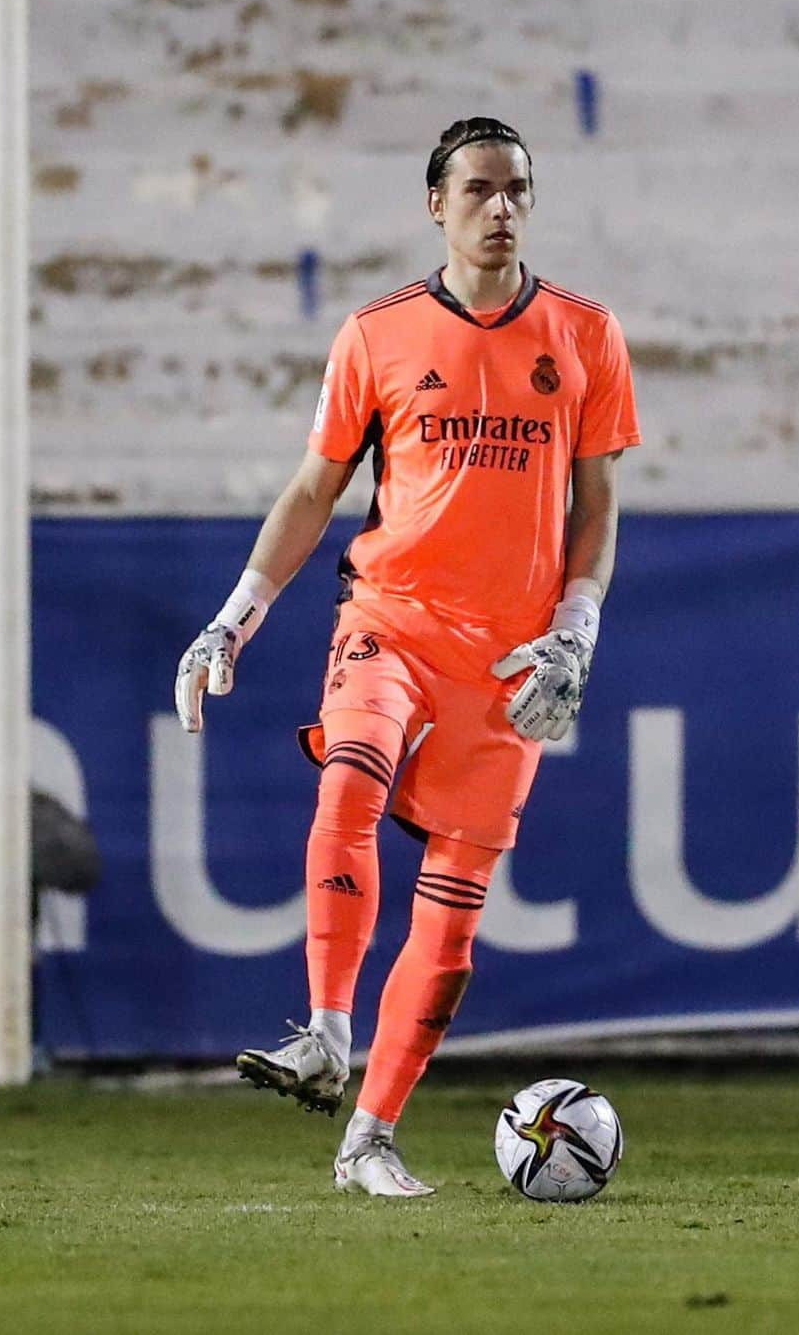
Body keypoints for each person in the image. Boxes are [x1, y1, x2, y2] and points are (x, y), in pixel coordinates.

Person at [174, 117, 641, 1197]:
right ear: (436, 204)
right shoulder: (376, 335)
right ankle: (327, 1032)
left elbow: (600, 503)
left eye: (516, 188)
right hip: (392, 613)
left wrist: (579, 624)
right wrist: (234, 618)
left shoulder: (584, 333)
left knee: (453, 911)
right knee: (351, 770)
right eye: (478, 188)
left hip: (512, 658)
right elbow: (312, 492)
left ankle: (369, 1140)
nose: (501, 206)